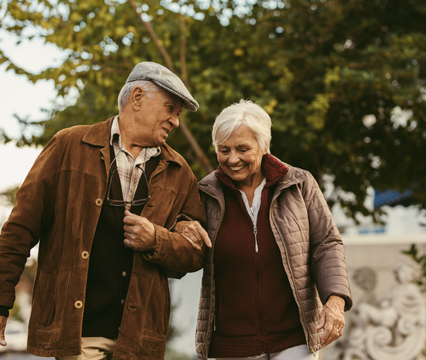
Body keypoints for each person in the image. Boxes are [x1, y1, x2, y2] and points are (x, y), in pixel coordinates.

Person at [0, 62, 212, 360]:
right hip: (79, 336)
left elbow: (195, 253)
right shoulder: (68, 145)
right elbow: (20, 229)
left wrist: (157, 240)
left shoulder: (180, 172)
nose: (175, 121)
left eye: (177, 113)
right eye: (170, 108)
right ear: (137, 97)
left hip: (139, 341)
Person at [195, 100, 353, 360]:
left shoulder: (299, 184)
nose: (232, 159)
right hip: (231, 346)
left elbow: (326, 243)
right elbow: (185, 247)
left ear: (264, 146)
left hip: (294, 341)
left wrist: (335, 300)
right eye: (224, 150)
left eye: (243, 149)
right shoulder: (205, 193)